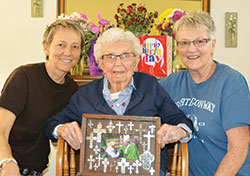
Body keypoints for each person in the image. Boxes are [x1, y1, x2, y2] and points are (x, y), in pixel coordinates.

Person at [43, 27, 193, 175]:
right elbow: (51, 125)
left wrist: (179, 130)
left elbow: (181, 121)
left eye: (125, 55)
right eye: (110, 56)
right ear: (100, 63)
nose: (118, 63)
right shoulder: (85, 94)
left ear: (136, 60)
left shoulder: (150, 87)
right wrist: (62, 129)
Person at [159, 11, 250, 175]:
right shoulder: (170, 84)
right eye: (184, 43)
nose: (191, 49)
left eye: (199, 41)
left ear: (213, 44)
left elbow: (238, 148)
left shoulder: (231, 82)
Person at [0, 19, 85, 176]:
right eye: (61, 44)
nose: (68, 52)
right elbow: (1, 130)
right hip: (6, 165)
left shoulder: (72, 90)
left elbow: (55, 135)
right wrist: (7, 162)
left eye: (75, 47)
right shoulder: (24, 76)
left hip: (35, 171)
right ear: (46, 48)